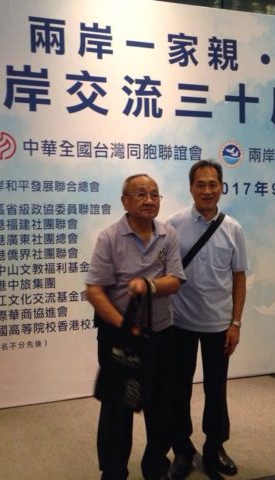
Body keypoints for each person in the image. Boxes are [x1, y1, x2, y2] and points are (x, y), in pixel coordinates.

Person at [86, 174, 185, 480]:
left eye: (154, 194)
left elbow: (175, 280)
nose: (149, 200)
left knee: (161, 405)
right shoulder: (110, 238)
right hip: (120, 337)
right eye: (141, 194)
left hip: (161, 334)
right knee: (117, 407)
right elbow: (94, 291)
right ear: (125, 201)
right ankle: (114, 471)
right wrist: (123, 326)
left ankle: (155, 466)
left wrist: (149, 285)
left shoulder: (167, 234)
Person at [167, 160, 249, 480]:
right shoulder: (173, 224)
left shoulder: (233, 229)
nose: (207, 190)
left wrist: (236, 323)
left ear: (221, 187)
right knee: (179, 390)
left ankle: (215, 447)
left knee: (217, 389)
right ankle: (182, 449)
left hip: (218, 325)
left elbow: (239, 277)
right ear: (191, 188)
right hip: (179, 323)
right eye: (200, 184)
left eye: (212, 184)